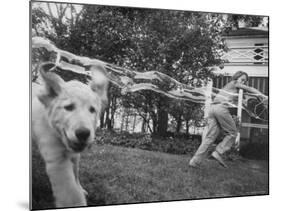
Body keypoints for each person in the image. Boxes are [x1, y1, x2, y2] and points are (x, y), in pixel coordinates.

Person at [189, 71, 267, 168]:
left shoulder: (230, 88)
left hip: (213, 108)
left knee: (209, 138)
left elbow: (245, 98)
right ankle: (218, 152)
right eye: (242, 79)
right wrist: (263, 96)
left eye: (245, 81)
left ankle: (194, 162)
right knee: (233, 132)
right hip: (220, 109)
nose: (243, 82)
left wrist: (255, 99)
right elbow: (250, 89)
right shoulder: (234, 83)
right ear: (236, 77)